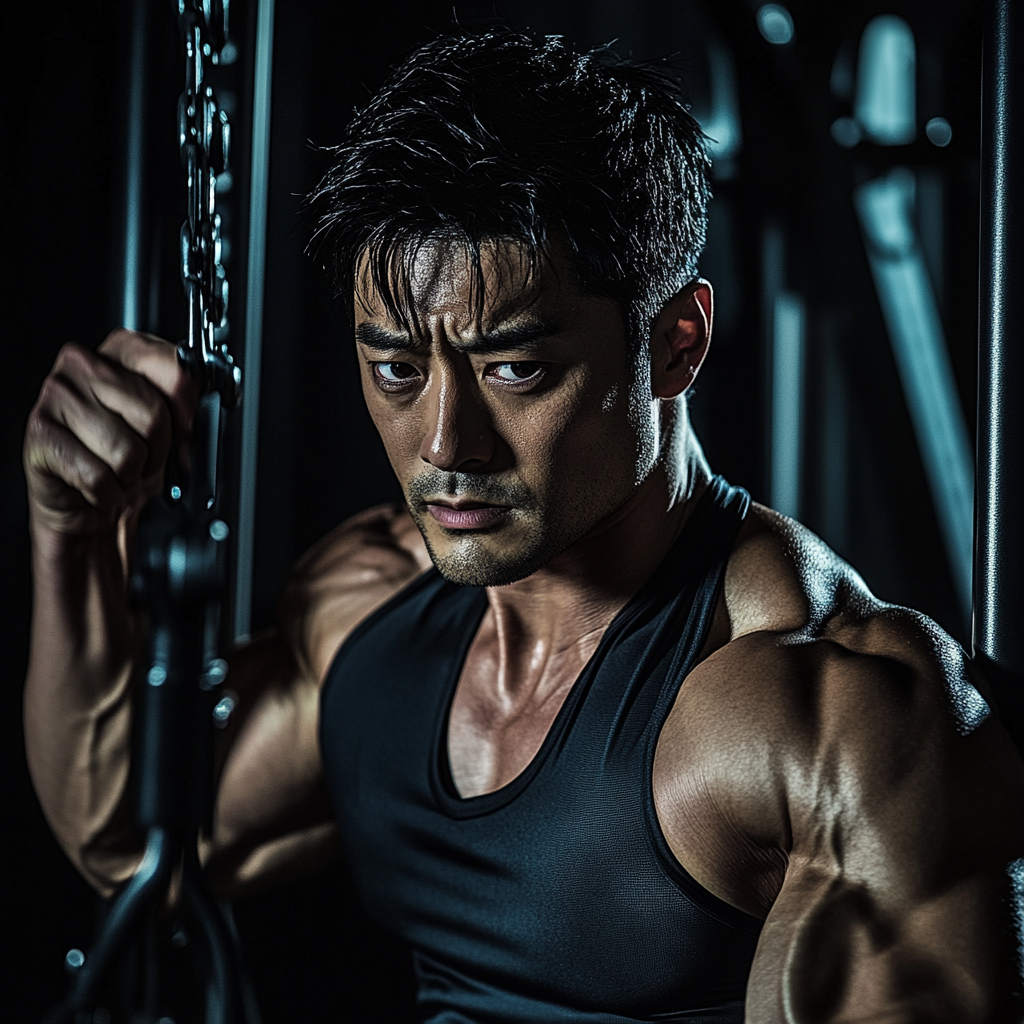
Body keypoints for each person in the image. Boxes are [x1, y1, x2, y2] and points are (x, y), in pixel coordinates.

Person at [23, 27, 1024, 1024]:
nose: (447, 443)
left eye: (515, 368)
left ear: (676, 346)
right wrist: (69, 530)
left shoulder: (829, 718)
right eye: (397, 371)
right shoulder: (368, 605)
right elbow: (124, 833)